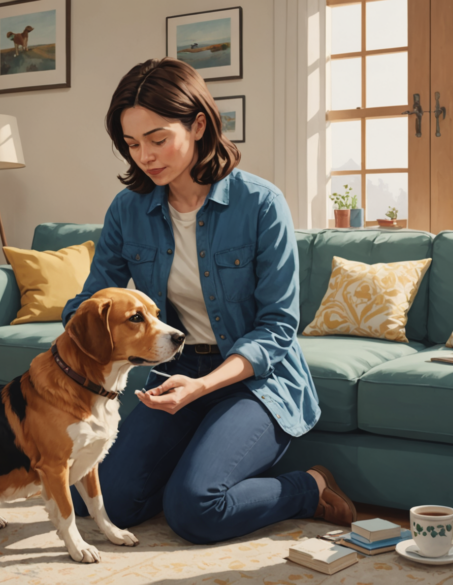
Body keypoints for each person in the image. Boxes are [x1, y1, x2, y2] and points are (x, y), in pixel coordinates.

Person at [61, 58, 357, 545]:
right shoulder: (128, 209)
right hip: (172, 371)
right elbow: (96, 297)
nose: (145, 157)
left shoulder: (261, 203)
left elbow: (279, 326)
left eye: (158, 139)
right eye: (132, 144)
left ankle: (309, 487)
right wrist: (77, 327)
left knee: (196, 510)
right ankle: (183, 467)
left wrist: (200, 389)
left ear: (198, 124)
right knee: (96, 497)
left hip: (254, 381)